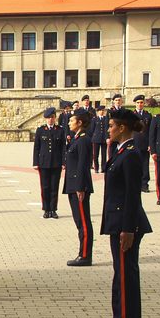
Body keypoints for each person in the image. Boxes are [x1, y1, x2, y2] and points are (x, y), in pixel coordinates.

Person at [99, 108, 152, 318]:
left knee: (126, 274)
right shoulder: (121, 151)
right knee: (120, 273)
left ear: (122, 128)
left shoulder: (130, 154)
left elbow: (132, 196)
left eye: (111, 125)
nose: (108, 129)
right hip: (118, 221)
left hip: (125, 224)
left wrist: (128, 229)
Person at [63, 109, 94, 266]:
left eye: (72, 120)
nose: (69, 122)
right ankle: (83, 253)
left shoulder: (83, 140)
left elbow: (83, 165)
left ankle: (85, 255)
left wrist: (81, 187)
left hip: (79, 187)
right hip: (73, 185)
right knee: (78, 221)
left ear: (80, 122)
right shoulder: (76, 139)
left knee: (83, 221)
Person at [33, 107, 65, 219]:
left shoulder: (60, 130)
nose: (50, 120)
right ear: (45, 119)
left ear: (55, 118)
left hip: (56, 163)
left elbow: (63, 148)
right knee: (45, 187)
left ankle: (53, 209)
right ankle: (46, 209)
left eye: (52, 117)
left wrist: (63, 162)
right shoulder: (40, 130)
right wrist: (35, 163)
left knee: (54, 187)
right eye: (48, 118)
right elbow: (36, 147)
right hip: (44, 163)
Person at [131, 95, 153, 193]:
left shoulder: (148, 115)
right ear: (135, 104)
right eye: (138, 103)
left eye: (141, 102)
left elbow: (151, 131)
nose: (140, 104)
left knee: (145, 165)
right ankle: (135, 184)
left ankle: (144, 185)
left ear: (144, 103)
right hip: (135, 143)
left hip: (145, 143)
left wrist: (150, 144)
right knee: (134, 165)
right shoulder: (131, 115)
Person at [90, 106, 108, 172]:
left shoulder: (106, 119)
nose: (102, 112)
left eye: (103, 110)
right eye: (100, 111)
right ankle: (96, 168)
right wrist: (92, 138)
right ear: (97, 112)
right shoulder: (94, 119)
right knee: (95, 155)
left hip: (103, 138)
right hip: (96, 138)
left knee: (104, 155)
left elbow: (106, 129)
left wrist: (107, 137)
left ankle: (103, 168)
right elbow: (92, 129)